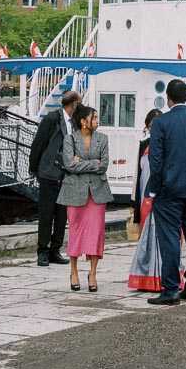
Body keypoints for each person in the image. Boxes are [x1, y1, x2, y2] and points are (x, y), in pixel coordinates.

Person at [146, 78, 186, 306]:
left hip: (169, 190)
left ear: (168, 97)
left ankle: (171, 288)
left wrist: (155, 188)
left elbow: (156, 160)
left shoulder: (161, 123)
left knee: (170, 238)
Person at [58, 104, 111, 292]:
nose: (98, 121)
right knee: (76, 231)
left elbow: (104, 165)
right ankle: (73, 271)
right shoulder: (70, 139)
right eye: (94, 118)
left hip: (97, 193)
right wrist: (92, 163)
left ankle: (93, 273)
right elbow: (69, 165)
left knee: (96, 233)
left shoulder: (103, 139)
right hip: (75, 192)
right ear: (83, 122)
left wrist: (82, 163)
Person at [29, 90, 81, 266]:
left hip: (66, 176)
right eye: (79, 102)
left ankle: (55, 250)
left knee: (61, 216)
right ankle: (42, 251)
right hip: (49, 173)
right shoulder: (52, 119)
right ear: (74, 103)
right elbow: (39, 143)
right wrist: (34, 169)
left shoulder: (74, 123)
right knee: (46, 214)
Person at [128, 109, 176, 292]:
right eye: (150, 127)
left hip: (164, 197)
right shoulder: (144, 145)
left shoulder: (170, 145)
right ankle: (146, 276)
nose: (154, 130)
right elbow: (138, 174)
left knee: (164, 238)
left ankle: (165, 277)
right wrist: (133, 201)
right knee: (147, 239)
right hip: (145, 198)